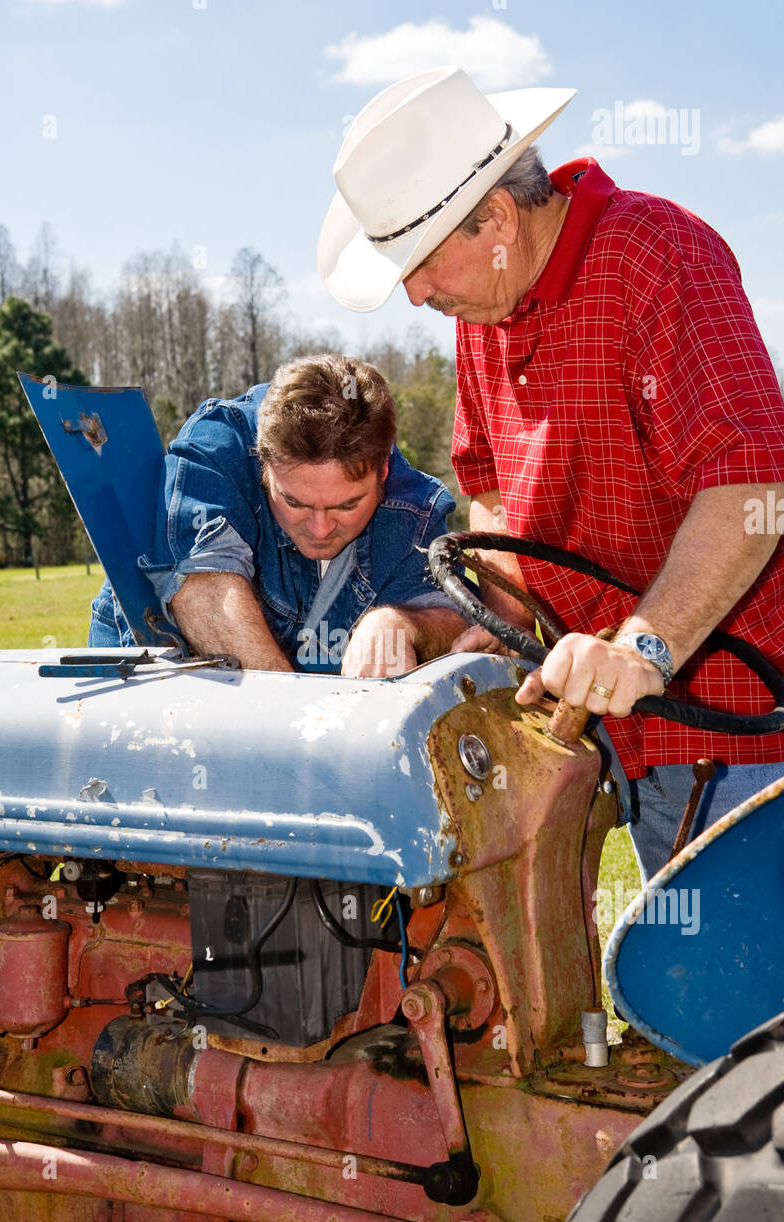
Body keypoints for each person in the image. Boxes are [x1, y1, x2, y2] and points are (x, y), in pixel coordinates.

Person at [319, 66, 784, 879]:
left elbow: (753, 487)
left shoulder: (658, 254)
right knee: (666, 978)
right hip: (610, 727)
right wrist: (479, 621)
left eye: (422, 264)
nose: (417, 294)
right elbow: (493, 494)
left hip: (735, 726)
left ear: (496, 217)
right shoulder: (485, 315)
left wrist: (645, 647)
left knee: (746, 994)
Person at [88, 354, 467, 677]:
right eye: (295, 502)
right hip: (150, 672)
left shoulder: (414, 506)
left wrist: (403, 623)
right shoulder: (219, 447)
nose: (320, 529)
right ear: (264, 463)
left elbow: (458, 624)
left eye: (346, 505)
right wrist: (291, 721)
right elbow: (203, 588)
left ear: (383, 472)